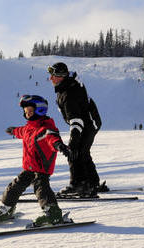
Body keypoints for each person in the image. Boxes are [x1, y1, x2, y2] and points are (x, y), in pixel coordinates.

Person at [0, 95, 70, 227]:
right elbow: (21, 131)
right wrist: (14, 131)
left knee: (42, 189)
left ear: (40, 111)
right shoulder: (28, 128)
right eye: (26, 112)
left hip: (42, 168)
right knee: (14, 187)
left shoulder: (46, 129)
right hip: (29, 167)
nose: (27, 115)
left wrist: (59, 145)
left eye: (30, 112)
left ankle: (53, 214)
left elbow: (53, 138)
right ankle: (7, 209)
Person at [47, 62, 106, 196]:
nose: (51, 78)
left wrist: (73, 140)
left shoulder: (69, 92)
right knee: (82, 151)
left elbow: (76, 120)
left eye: (53, 75)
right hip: (89, 121)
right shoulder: (65, 86)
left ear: (61, 76)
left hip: (88, 123)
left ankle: (78, 185)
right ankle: (91, 182)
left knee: (75, 151)